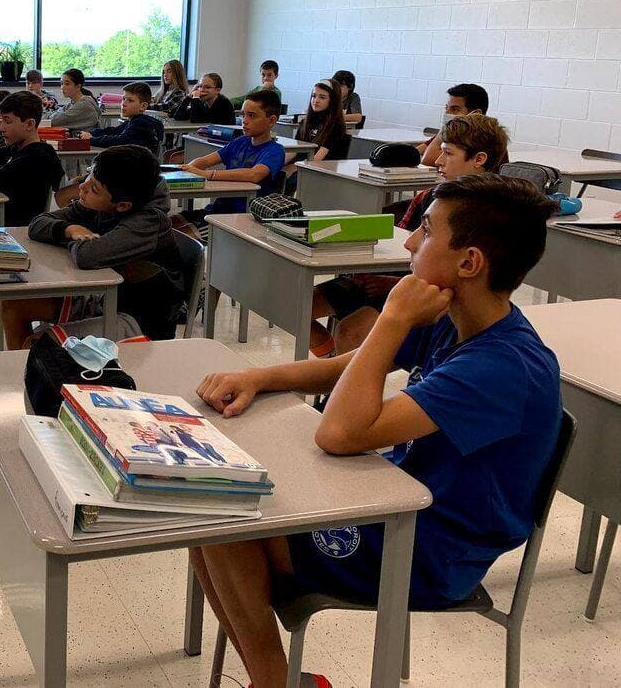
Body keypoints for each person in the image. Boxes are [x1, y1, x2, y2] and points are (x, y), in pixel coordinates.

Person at [190, 174, 561, 688]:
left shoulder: (502, 367)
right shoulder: (454, 319)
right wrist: (256, 376)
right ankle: (276, 679)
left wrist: (390, 318)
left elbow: (338, 434)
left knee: (225, 525)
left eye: (426, 231)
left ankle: (273, 682)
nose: (409, 242)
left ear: (469, 263)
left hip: (435, 550)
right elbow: (346, 365)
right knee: (211, 518)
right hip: (394, 503)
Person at [309, 115, 510, 356]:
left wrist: (391, 282)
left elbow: (460, 283)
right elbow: (400, 243)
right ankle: (331, 363)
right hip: (384, 280)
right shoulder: (428, 196)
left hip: (419, 292)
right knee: (300, 304)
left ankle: (339, 378)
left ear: (479, 159)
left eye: (448, 153)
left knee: (351, 331)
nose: (437, 160)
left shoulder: (487, 215)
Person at [1, 145, 186, 347]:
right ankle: (25, 374)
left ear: (122, 206)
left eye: (94, 188)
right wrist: (69, 228)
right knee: (14, 305)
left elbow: (87, 255)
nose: (83, 188)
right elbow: (37, 223)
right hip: (107, 298)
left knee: (41, 344)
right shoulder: (100, 201)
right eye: (88, 177)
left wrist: (74, 237)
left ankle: (37, 374)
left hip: (140, 319)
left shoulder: (148, 221)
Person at [0, 91, 64, 226]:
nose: (1, 127)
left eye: (7, 121)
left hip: (2, 231)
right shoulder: (14, 149)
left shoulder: (38, 157)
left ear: (29, 124)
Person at [181, 89, 286, 214]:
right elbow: (205, 161)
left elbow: (253, 175)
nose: (245, 121)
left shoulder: (275, 151)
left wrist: (207, 174)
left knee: (178, 230)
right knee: (170, 224)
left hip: (243, 216)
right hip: (219, 210)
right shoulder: (240, 141)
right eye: (243, 115)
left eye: (251, 116)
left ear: (271, 120)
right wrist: (188, 168)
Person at [285, 80, 348, 185]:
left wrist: (295, 167)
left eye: (322, 97)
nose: (316, 100)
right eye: (314, 96)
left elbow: (317, 158)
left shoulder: (336, 126)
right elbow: (295, 150)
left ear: (332, 101)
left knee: (290, 180)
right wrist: (277, 164)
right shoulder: (305, 122)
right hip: (303, 164)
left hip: (320, 170)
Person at [79, 82, 164, 155]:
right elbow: (113, 130)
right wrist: (91, 133)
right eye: (123, 99)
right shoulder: (133, 121)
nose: (124, 103)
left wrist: (91, 139)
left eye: (130, 100)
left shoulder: (141, 123)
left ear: (143, 106)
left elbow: (120, 141)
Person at [419, 83, 490, 166]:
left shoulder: (481, 139)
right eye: (447, 108)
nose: (447, 113)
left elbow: (427, 160)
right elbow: (418, 151)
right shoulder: (453, 134)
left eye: (455, 109)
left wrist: (445, 127)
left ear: (476, 114)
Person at [171, 72, 235, 125]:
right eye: (200, 86)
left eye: (207, 87)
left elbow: (195, 120)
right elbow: (178, 116)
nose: (201, 90)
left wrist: (196, 97)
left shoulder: (224, 104)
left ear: (217, 90)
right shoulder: (203, 102)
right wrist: (189, 97)